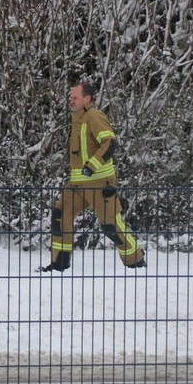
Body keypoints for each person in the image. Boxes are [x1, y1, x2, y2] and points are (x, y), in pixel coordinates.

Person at [42, 82, 145, 272]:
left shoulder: (94, 116)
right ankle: (59, 264)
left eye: (74, 97)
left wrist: (92, 166)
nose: (71, 101)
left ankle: (136, 261)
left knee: (110, 226)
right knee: (60, 216)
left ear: (87, 99)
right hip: (76, 184)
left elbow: (109, 143)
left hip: (99, 183)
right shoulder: (78, 120)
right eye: (70, 98)